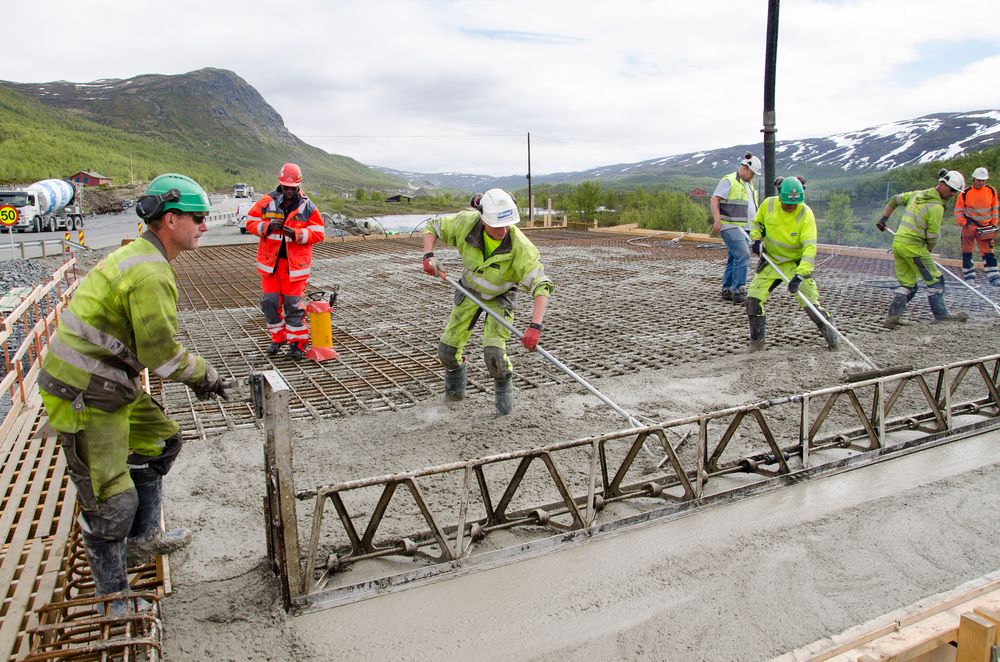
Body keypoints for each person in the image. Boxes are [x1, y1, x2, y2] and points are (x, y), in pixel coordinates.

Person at [37, 174, 230, 613]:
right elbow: (161, 356)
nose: (204, 225)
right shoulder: (149, 272)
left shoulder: (145, 256)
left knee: (161, 441)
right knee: (112, 500)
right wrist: (207, 377)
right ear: (170, 219)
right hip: (84, 390)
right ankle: (113, 598)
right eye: (198, 218)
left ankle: (144, 540)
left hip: (109, 381)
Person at [422, 189, 553, 415]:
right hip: (470, 291)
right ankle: (454, 393)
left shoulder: (520, 246)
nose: (504, 231)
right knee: (447, 351)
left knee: (494, 355)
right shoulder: (466, 223)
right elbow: (432, 226)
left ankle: (503, 392)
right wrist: (428, 255)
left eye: (508, 225)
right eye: (498, 225)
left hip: (500, 298)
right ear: (483, 219)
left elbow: (541, 284)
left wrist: (535, 326)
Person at [746, 177, 837, 351]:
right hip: (772, 262)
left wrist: (801, 274)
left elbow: (810, 248)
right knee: (753, 301)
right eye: (788, 203)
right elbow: (757, 222)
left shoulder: (805, 213)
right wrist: (756, 239)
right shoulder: (768, 204)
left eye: (795, 204)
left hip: (796, 264)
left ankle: (833, 341)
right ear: (779, 196)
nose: (792, 207)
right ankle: (756, 344)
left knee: (811, 306)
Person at [244, 163, 326, 359]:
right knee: (270, 303)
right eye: (285, 187)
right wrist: (268, 226)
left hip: (294, 268)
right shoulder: (266, 202)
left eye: (292, 188)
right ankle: (278, 338)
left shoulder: (307, 206)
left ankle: (297, 343)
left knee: (293, 306)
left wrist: (297, 234)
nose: (288, 191)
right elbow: (250, 222)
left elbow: (319, 233)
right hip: (270, 266)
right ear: (280, 184)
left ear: (298, 185)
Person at [877, 169, 969, 326]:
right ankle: (941, 316)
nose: (953, 194)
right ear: (942, 184)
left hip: (899, 244)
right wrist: (928, 251)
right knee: (936, 280)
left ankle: (892, 318)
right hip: (914, 248)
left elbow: (894, 200)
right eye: (953, 190)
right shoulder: (936, 207)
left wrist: (883, 219)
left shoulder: (917, 194)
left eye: (956, 192)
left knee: (908, 284)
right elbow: (932, 236)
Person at [710, 152, 761, 304]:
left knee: (734, 256)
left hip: (745, 228)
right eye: (752, 173)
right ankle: (738, 289)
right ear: (745, 168)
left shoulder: (749, 184)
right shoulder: (729, 180)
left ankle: (727, 289)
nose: (753, 177)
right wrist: (717, 220)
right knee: (743, 254)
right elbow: (714, 199)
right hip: (731, 225)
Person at [953, 166, 999, 285]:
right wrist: (964, 223)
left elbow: (994, 209)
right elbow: (958, 210)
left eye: (983, 180)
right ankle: (969, 277)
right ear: (973, 179)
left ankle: (994, 277)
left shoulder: (991, 191)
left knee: (988, 252)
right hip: (970, 227)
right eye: (979, 180)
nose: (981, 182)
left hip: (986, 228)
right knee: (967, 252)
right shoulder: (966, 193)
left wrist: (994, 224)